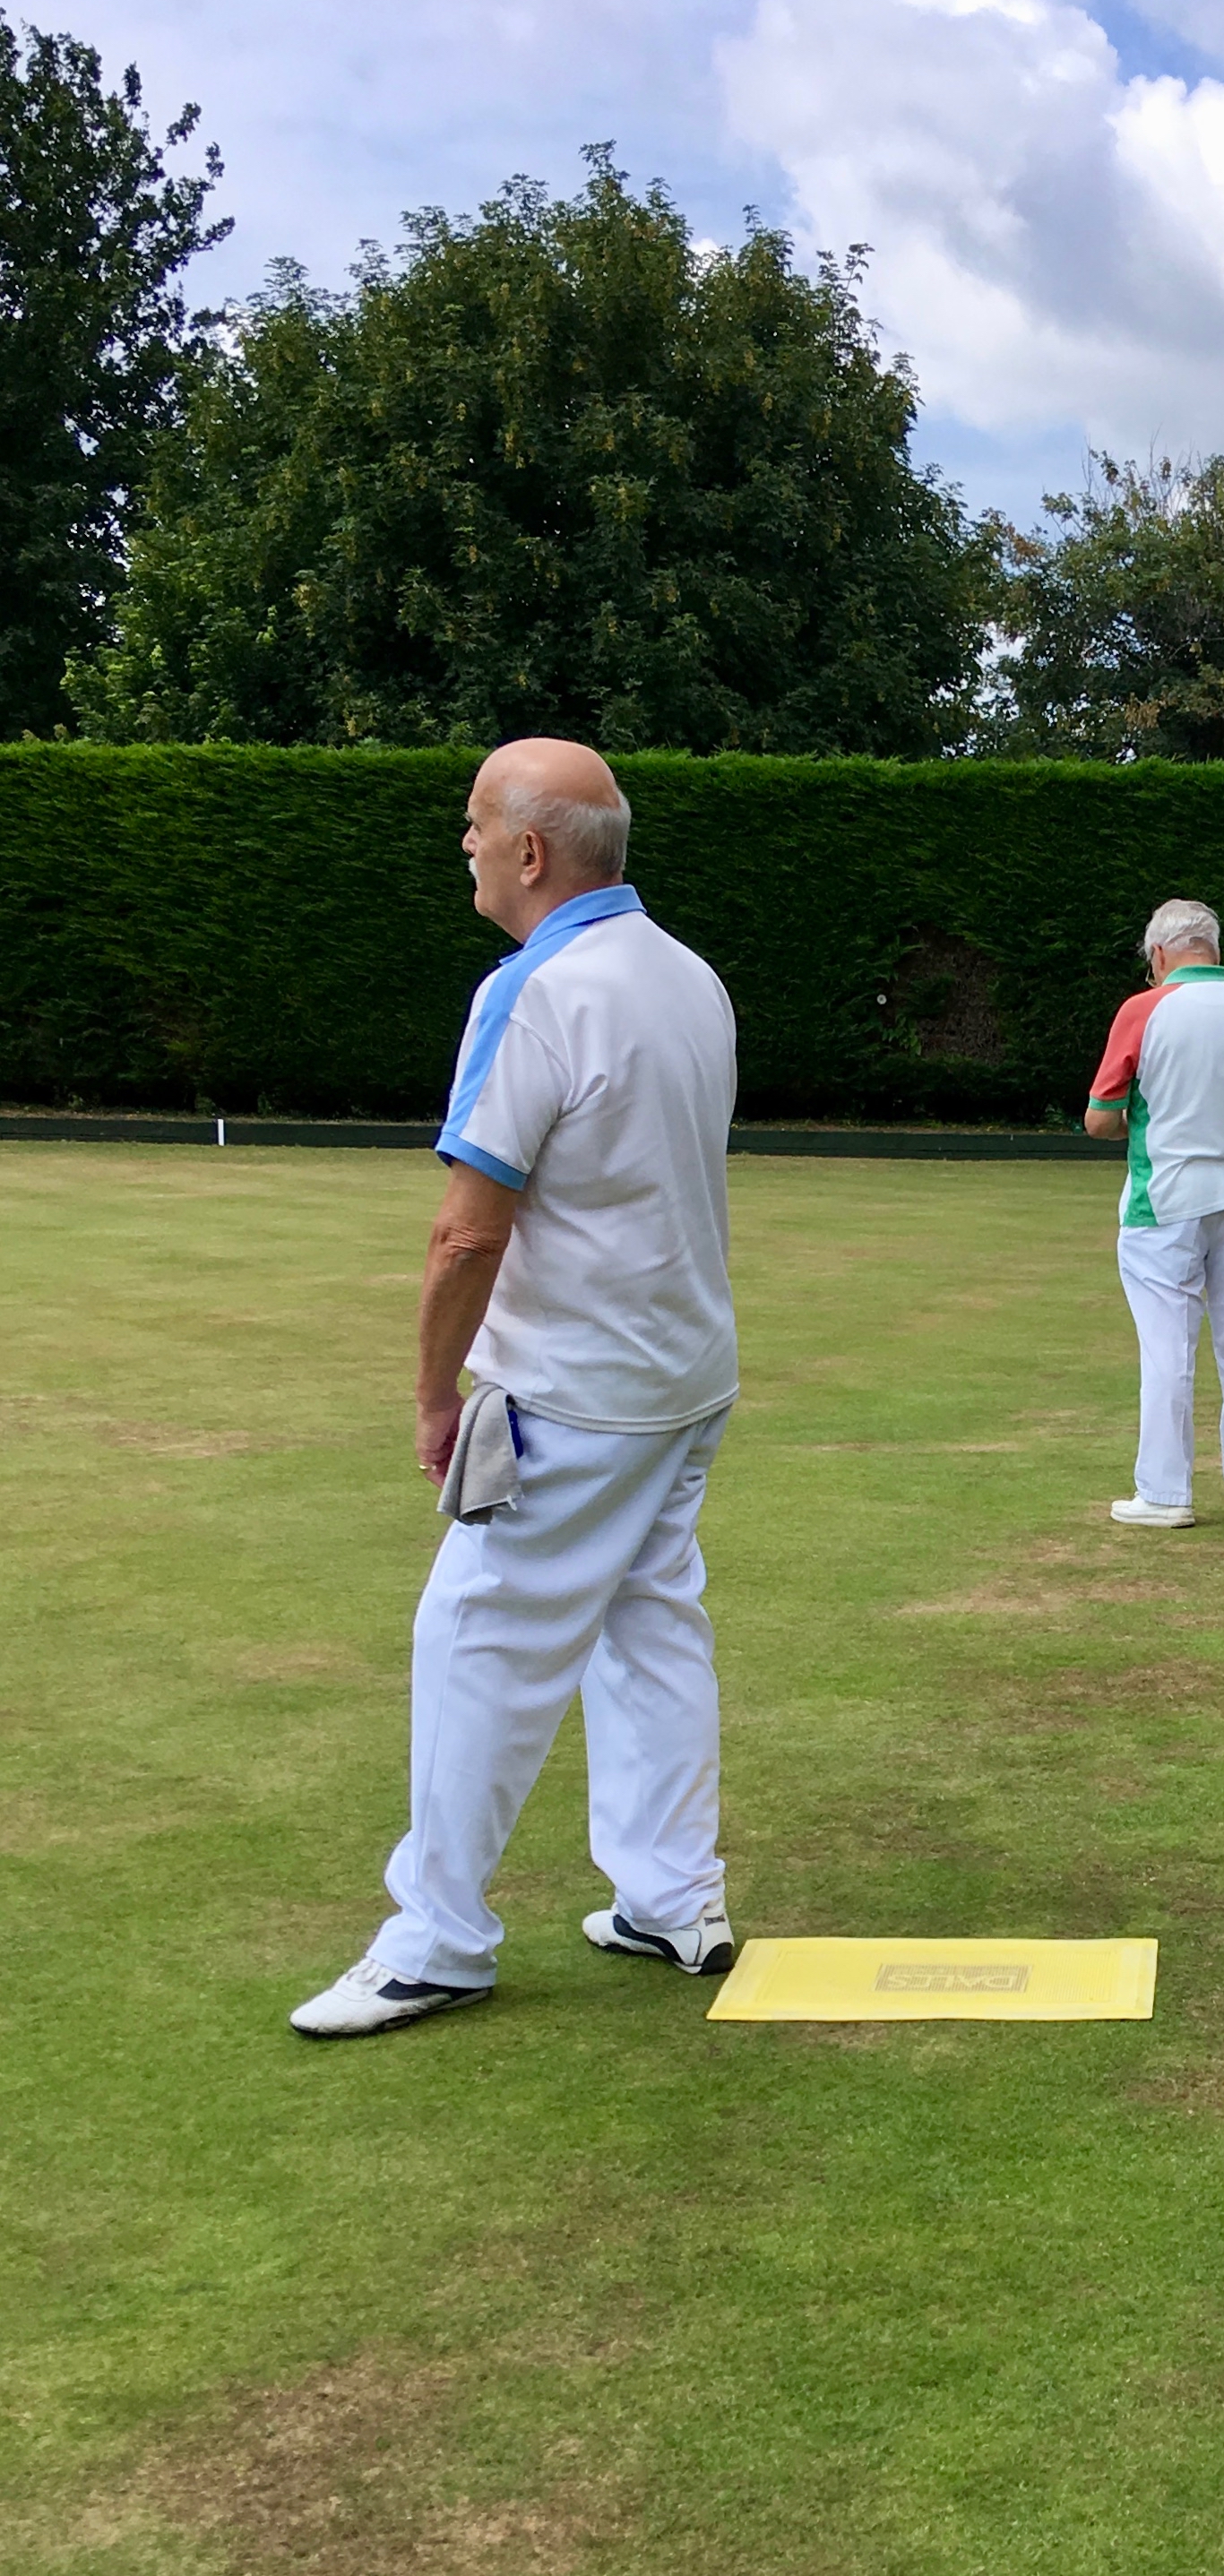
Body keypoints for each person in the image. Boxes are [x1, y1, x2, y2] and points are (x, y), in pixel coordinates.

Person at [292, 741, 742, 2038]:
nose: (468, 845)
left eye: (477, 825)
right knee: (651, 1622)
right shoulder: (690, 973)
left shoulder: (531, 991)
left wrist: (435, 1396)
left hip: (572, 1389)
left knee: (474, 1635)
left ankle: (437, 1937)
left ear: (531, 851)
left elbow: (466, 1232)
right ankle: (672, 1896)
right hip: (683, 1374)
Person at [1085, 900, 1224, 1529]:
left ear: (1158, 955)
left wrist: (1139, 1117)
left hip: (1166, 1199)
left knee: (1167, 1343)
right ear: (1214, 948)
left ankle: (1164, 1492)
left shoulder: (1142, 1010)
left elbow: (1099, 1118)